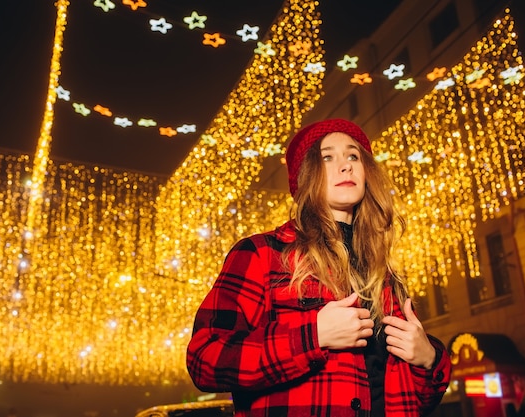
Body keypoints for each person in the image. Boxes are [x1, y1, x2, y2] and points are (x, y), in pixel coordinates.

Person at [186, 118, 451, 416]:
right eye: (328, 157)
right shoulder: (262, 254)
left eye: (353, 156)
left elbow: (410, 401)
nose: (346, 165)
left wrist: (430, 360)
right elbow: (204, 359)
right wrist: (313, 336)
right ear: (306, 176)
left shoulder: (383, 274)